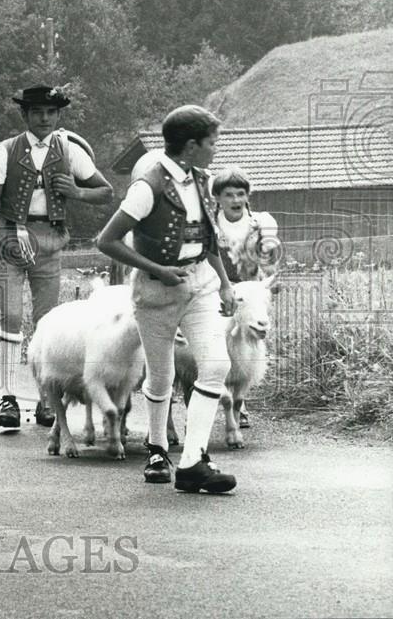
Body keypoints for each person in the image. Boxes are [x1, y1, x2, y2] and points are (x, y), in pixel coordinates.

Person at [97, 104, 239, 494]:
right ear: (191, 145)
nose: (215, 149)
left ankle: (193, 460)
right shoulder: (148, 185)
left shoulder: (203, 178)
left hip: (202, 284)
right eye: (212, 142)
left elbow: (207, 238)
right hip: (157, 290)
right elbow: (105, 240)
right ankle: (157, 448)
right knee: (162, 376)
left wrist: (225, 283)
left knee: (215, 364)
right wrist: (157, 270)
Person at [0, 84, 113, 430]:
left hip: (49, 241)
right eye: (37, 112)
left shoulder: (70, 152)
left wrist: (76, 191)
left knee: (46, 322)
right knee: (11, 317)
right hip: (10, 240)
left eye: (51, 112)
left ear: (58, 115)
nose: (44, 118)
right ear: (24, 115)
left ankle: (46, 399)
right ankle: (8, 398)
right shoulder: (4, 152)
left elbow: (106, 192)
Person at [211, 166, 280, 428]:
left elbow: (270, 260)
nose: (236, 200)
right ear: (218, 197)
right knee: (215, 344)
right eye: (229, 195)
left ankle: (240, 400)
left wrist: (267, 272)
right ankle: (206, 395)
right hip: (216, 291)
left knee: (248, 344)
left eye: (241, 194)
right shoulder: (210, 223)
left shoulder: (259, 223)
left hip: (249, 292)